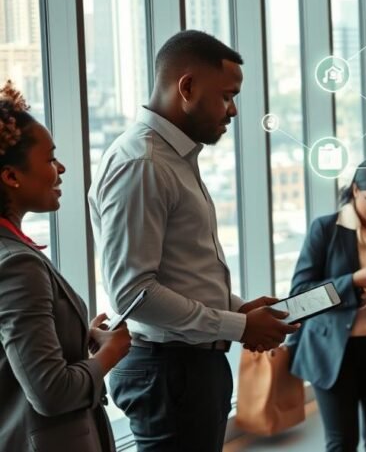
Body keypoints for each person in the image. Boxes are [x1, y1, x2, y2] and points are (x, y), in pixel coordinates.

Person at [89, 30, 298, 450]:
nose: (233, 109)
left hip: (186, 368)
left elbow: (181, 271)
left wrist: (238, 308)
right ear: (186, 87)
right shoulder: (143, 164)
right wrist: (239, 325)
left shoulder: (170, 158)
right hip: (170, 372)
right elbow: (133, 294)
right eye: (226, 96)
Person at [0, 82, 131, 452]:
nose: (62, 168)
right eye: (50, 159)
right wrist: (111, 353)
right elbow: (51, 393)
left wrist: (75, 337)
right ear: (11, 177)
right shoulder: (17, 265)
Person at [288, 156, 366, 452]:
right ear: (354, 191)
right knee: (342, 442)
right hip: (334, 351)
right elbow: (300, 299)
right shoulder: (326, 229)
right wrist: (351, 281)